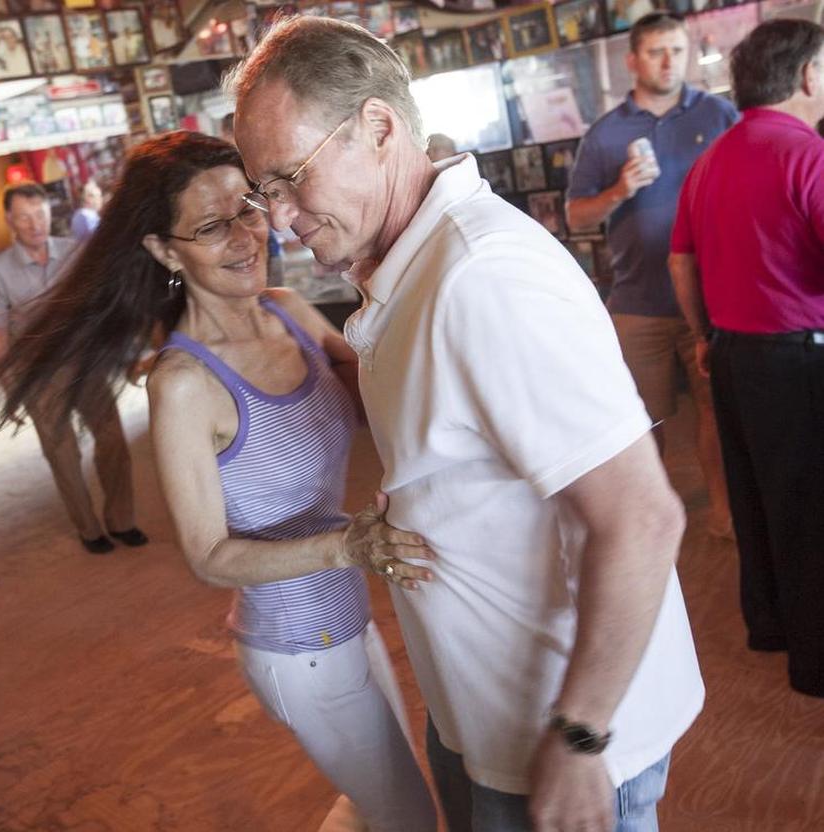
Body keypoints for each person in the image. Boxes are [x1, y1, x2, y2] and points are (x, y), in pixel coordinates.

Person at [232, 17, 702, 832]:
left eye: (289, 179)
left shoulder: (483, 280)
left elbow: (641, 516)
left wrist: (582, 735)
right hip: (485, 717)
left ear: (377, 126)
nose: (278, 221)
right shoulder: (410, 265)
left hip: (558, 735)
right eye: (261, 193)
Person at [0, 132, 438, 831]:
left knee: (381, 801)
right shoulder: (184, 383)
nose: (243, 238)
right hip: (298, 649)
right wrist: (349, 547)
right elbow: (208, 557)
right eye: (209, 227)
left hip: (350, 617)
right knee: (406, 816)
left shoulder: (288, 310)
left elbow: (371, 401)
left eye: (249, 209)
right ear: (165, 252)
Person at [669, 19, 824, 698]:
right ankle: (815, 664)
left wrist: (703, 335)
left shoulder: (711, 161)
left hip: (732, 358)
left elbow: (680, 260)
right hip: (797, 360)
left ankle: (769, 626)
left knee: (757, 498)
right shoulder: (808, 156)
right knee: (810, 510)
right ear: (809, 76)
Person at [567, 11, 738, 539]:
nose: (670, 61)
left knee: (716, 412)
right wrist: (619, 191)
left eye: (678, 50)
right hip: (637, 302)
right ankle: (653, 518)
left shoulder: (718, 113)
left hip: (710, 296)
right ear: (633, 60)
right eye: (658, 51)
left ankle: (725, 515)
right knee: (645, 420)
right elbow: (575, 218)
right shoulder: (605, 133)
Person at [0, 183, 145, 554]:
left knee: (112, 439)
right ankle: (89, 529)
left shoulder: (74, 252)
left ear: (48, 214)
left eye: (39, 214)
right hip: (39, 372)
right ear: (10, 220)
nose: (34, 223)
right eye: (24, 216)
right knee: (63, 452)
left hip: (85, 359)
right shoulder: (0, 271)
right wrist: (11, 389)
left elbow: (99, 303)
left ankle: (122, 520)